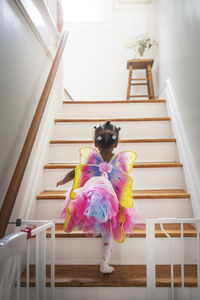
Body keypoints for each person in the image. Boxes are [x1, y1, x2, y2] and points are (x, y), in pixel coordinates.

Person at [57, 120, 142, 273]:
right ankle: (104, 264)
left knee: (82, 207)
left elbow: (76, 172)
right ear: (116, 144)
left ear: (95, 143)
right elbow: (123, 181)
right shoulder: (120, 162)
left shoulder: (91, 160)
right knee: (109, 232)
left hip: (89, 199)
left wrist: (63, 180)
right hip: (112, 201)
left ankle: (83, 222)